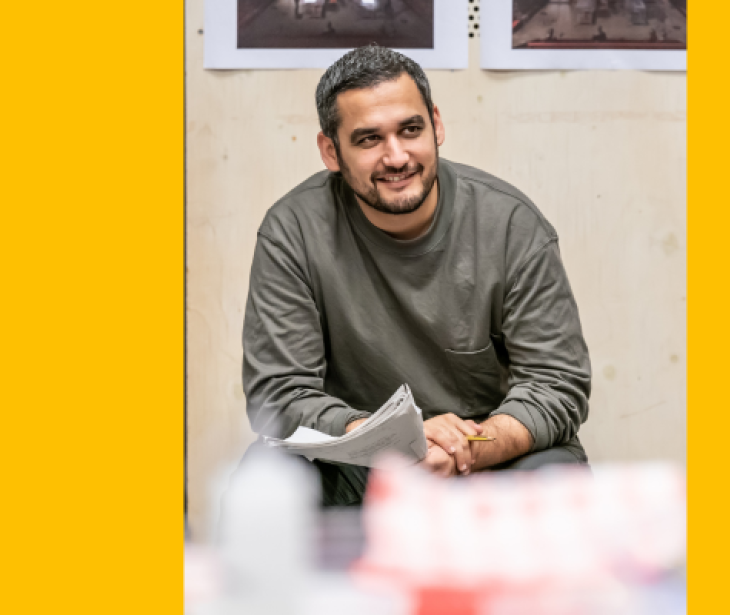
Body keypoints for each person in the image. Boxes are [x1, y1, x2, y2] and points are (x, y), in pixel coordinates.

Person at [239, 46, 592, 506]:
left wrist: (467, 448)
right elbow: (278, 391)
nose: (397, 156)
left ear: (437, 125)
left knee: (558, 475)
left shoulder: (511, 225)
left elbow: (557, 384)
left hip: (483, 450)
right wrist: (385, 439)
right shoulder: (293, 232)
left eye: (411, 129)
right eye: (368, 140)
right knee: (267, 479)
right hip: (359, 457)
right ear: (331, 150)